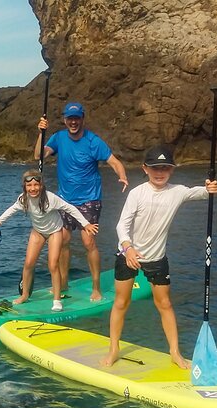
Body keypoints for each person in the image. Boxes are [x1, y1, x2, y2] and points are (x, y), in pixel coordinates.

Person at [100, 146, 217, 369]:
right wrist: (128, 249)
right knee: (121, 302)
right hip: (128, 254)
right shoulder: (137, 193)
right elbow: (121, 225)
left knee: (164, 303)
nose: (160, 172)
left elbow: (203, 192)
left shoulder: (178, 191)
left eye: (165, 168)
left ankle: (175, 352)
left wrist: (210, 187)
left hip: (156, 258)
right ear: (145, 169)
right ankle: (114, 348)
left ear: (172, 170)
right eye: (155, 167)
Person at [36, 103, 128, 302]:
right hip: (65, 200)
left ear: (83, 119)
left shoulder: (93, 141)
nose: (73, 122)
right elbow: (38, 156)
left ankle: (96, 288)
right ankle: (63, 284)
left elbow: (114, 162)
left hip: (89, 199)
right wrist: (41, 133)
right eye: (70, 118)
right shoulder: (58, 138)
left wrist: (122, 176)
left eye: (77, 118)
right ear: (65, 120)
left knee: (88, 242)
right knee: (63, 241)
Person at [0, 169, 98, 310]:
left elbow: (70, 208)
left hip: (54, 232)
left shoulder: (50, 198)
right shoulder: (23, 199)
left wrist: (85, 224)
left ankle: (57, 300)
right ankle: (24, 295)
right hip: (38, 232)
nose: (33, 188)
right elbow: (12, 209)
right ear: (25, 186)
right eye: (29, 186)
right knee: (28, 263)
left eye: (36, 185)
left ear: (41, 185)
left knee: (53, 265)